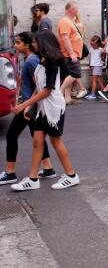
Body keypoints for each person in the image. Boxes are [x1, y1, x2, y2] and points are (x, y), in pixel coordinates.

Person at [11, 31, 79, 191]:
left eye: (35, 41)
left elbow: (47, 90)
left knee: (55, 141)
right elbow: (39, 88)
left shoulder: (51, 62)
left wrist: (24, 105)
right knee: (37, 142)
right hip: (43, 107)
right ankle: (33, 178)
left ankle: (71, 175)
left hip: (53, 107)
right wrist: (30, 106)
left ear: (43, 43)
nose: (33, 44)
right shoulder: (41, 60)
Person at [0, 32, 55, 185]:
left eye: (18, 43)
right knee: (37, 138)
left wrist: (27, 105)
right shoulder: (29, 59)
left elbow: (39, 86)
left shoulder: (31, 61)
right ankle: (48, 168)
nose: (15, 46)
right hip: (30, 105)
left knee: (12, 135)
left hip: (29, 106)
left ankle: (10, 172)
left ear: (27, 45)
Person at [57, 2, 85, 103]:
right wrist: (72, 53)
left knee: (69, 75)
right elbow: (65, 38)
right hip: (70, 54)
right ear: (71, 10)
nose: (77, 11)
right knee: (75, 74)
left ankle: (67, 98)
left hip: (73, 54)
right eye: (76, 9)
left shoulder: (69, 21)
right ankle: (60, 91)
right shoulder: (64, 21)